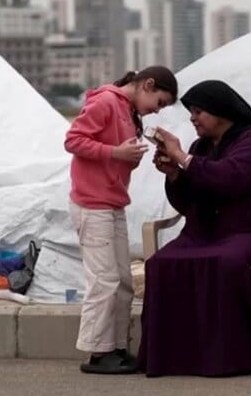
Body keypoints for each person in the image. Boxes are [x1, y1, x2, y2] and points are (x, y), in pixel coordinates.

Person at [137, 80, 251, 377]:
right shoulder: (200, 147)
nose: (193, 118)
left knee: (225, 263)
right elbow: (186, 202)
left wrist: (182, 158)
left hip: (247, 232)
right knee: (159, 263)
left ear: (220, 110)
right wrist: (174, 174)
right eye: (191, 112)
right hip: (201, 232)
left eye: (199, 111)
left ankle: (228, 359)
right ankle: (174, 359)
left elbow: (230, 178)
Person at [64, 67, 178, 374]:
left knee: (123, 282)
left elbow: (110, 154)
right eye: (159, 102)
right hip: (92, 203)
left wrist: (128, 156)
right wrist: (115, 152)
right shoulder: (105, 102)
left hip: (111, 202)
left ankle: (115, 346)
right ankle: (98, 352)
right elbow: (73, 140)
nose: (157, 110)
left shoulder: (127, 111)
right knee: (104, 280)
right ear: (147, 85)